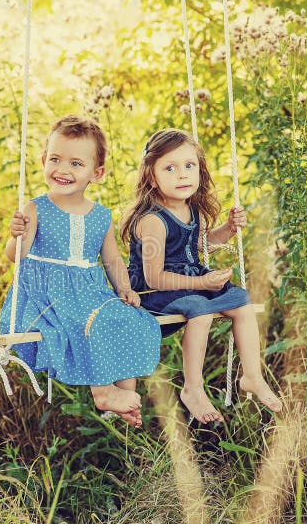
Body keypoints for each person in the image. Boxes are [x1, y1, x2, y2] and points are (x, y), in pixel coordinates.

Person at [0, 115, 161, 428]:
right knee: (85, 322)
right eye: (56, 159)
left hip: (90, 290)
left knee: (130, 318)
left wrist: (125, 289)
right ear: (44, 160)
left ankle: (123, 396)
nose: (63, 170)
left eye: (76, 163)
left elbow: (113, 260)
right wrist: (15, 236)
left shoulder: (101, 216)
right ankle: (102, 392)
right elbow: (15, 256)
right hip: (48, 292)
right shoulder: (35, 208)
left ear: (96, 173)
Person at [121, 128, 282, 424]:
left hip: (189, 283)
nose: (182, 175)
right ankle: (192, 389)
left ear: (199, 169)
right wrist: (201, 283)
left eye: (189, 166)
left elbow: (198, 244)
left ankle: (251, 375)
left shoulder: (189, 208)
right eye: (170, 168)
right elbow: (154, 277)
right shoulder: (152, 221)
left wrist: (229, 230)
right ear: (151, 177)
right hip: (154, 293)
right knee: (201, 310)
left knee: (241, 301)